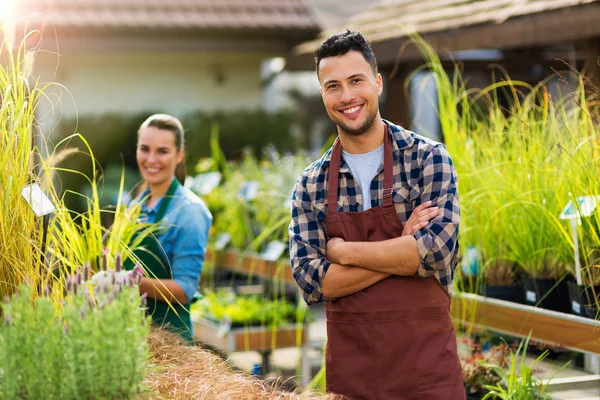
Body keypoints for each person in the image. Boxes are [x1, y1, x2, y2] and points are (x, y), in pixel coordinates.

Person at [288, 30, 465, 399]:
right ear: (322, 94)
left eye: (356, 80)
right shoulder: (311, 185)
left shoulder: (427, 159)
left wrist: (342, 253)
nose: (347, 96)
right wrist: (401, 246)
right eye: (332, 85)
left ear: (378, 82)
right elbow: (312, 281)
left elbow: (434, 252)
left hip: (427, 377)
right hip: (354, 381)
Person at [124, 113, 212, 343]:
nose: (151, 159)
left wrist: (130, 282)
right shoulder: (136, 205)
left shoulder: (189, 211)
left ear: (179, 155)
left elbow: (185, 289)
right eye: (145, 149)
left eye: (162, 151)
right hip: (132, 336)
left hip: (170, 344)